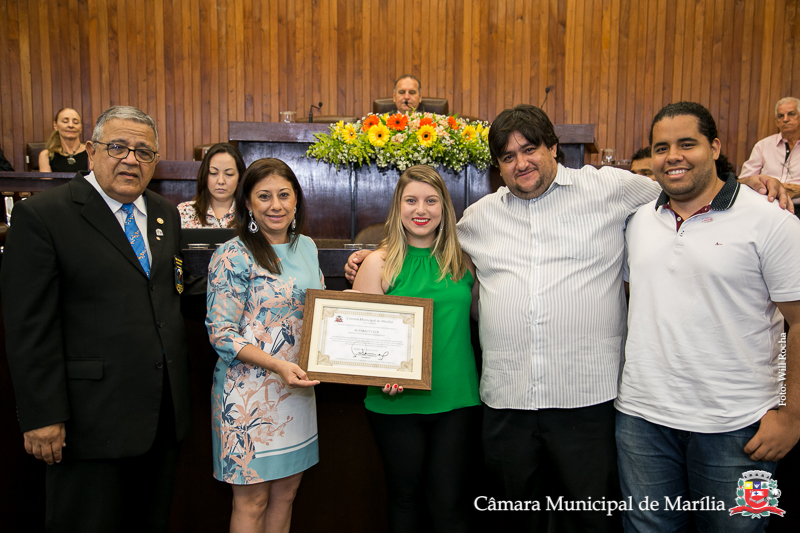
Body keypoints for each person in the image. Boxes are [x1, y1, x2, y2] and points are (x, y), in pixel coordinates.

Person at [346, 105, 791, 531]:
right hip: (507, 404)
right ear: (497, 167)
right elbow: (433, 249)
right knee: (520, 522)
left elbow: (684, 184)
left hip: (587, 403)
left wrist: (752, 181)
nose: (521, 163)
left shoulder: (611, 188)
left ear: (554, 148)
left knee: (591, 520)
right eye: (508, 156)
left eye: (530, 149)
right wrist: (372, 258)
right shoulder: (479, 219)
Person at [1, 105, 198, 531]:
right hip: (88, 423)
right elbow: (29, 326)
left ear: (156, 161)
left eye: (144, 151)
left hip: (160, 417)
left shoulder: (164, 213)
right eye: (118, 147)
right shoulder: (44, 216)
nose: (131, 159)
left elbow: (171, 292)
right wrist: (41, 415)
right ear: (91, 152)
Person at [616, 101, 800, 532]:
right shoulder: (639, 221)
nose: (672, 156)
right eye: (661, 147)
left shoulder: (772, 221)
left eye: (687, 144)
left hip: (739, 426)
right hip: (642, 422)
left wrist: (791, 414)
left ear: (715, 146)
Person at [352, 165, 480, 532]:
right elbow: (362, 340)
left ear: (444, 208)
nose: (420, 209)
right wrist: (380, 374)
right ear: (398, 206)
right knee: (405, 501)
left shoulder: (462, 260)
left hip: (457, 399)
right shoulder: (377, 262)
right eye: (411, 200)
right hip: (395, 401)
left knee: (450, 505)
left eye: (430, 200)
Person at [206, 158, 322, 533]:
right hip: (248, 397)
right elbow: (221, 333)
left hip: (296, 392)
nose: (276, 205)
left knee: (286, 495)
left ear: (296, 201)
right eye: (264, 196)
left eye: (284, 195)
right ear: (249, 205)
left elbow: (318, 311)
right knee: (252, 501)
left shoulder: (307, 247)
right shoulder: (233, 254)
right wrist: (277, 365)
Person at [740, 97, 800, 194]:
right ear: (776, 122)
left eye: (791, 114)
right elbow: (744, 180)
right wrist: (768, 187)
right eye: (780, 116)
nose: (785, 119)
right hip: (768, 202)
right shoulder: (763, 145)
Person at [178, 142, 245, 228]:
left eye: (229, 174)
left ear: (240, 178)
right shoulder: (184, 211)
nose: (221, 181)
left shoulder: (250, 214)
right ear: (205, 175)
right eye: (213, 173)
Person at [38, 107, 89, 173]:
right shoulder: (46, 156)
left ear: (81, 128)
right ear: (55, 126)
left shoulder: (91, 152)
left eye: (75, 122)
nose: (71, 125)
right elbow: (46, 183)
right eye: (65, 122)